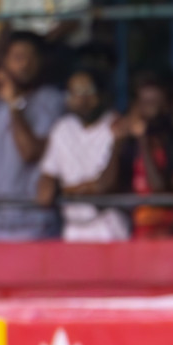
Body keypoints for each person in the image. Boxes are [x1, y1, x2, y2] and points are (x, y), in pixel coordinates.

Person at [0, 33, 65, 242]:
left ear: (41, 61)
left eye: (30, 57)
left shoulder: (51, 100)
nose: (24, 63)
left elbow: (31, 152)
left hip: (37, 226)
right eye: (17, 57)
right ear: (4, 63)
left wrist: (14, 104)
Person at [36, 69, 130, 242]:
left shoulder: (116, 125)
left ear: (101, 94)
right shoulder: (62, 129)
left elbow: (104, 187)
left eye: (87, 91)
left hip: (109, 227)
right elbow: (45, 186)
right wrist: (52, 188)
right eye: (75, 92)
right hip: (73, 228)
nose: (82, 99)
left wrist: (66, 190)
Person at [125, 73, 173, 239]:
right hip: (138, 232)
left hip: (168, 231)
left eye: (156, 104)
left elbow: (158, 187)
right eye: (145, 103)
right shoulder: (128, 144)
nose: (151, 110)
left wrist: (144, 142)